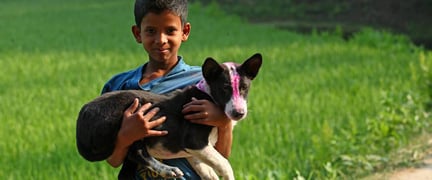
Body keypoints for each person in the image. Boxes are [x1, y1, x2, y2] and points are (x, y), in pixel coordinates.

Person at [101, 0, 233, 179]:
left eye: (170, 30)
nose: (161, 40)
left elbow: (221, 156)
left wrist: (223, 123)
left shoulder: (203, 85)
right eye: (151, 31)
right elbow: (113, 160)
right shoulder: (119, 88)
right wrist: (126, 135)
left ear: (185, 32)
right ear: (137, 33)